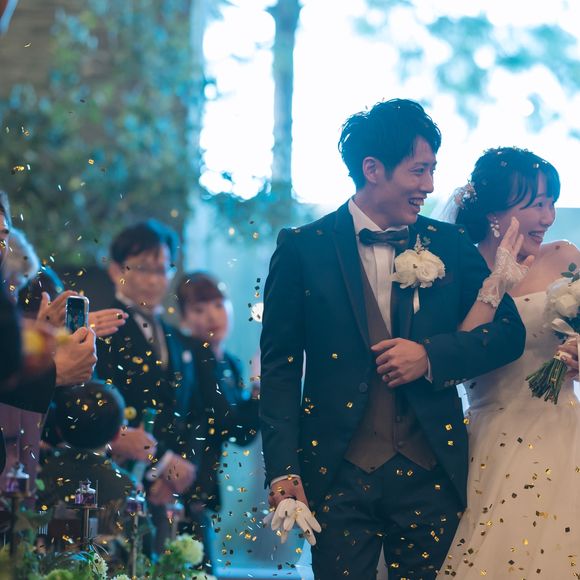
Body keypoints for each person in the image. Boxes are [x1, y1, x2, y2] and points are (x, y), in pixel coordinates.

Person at [259, 99, 527, 580]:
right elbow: (280, 368)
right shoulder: (303, 248)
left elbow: (509, 333)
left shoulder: (449, 244)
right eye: (419, 170)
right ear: (372, 169)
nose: (430, 186)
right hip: (336, 473)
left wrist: (431, 356)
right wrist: (283, 468)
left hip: (432, 472)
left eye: (432, 170)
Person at [438, 147, 580, 578]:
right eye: (536, 204)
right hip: (493, 441)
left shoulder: (564, 257)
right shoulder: (455, 271)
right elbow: (459, 358)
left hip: (565, 433)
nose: (548, 216)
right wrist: (496, 283)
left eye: (551, 203)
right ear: (494, 214)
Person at [95, 220, 226, 558]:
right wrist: (161, 463)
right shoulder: (104, 329)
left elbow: (195, 412)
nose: (155, 280)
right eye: (143, 268)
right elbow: (100, 407)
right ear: (115, 270)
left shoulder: (175, 337)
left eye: (163, 268)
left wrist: (179, 468)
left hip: (170, 491)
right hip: (117, 483)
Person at [38, 380, 136, 537]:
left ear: (58, 429)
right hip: (103, 553)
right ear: (118, 434)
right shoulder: (125, 485)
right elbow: (139, 540)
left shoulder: (43, 471)